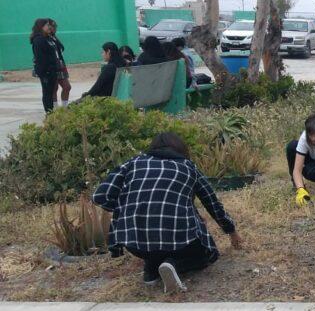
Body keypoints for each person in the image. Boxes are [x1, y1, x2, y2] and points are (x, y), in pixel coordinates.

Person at [92, 132, 242, 292]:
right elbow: (212, 203)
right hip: (180, 242)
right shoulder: (188, 167)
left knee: (152, 247)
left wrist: (124, 207)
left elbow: (100, 196)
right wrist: (231, 231)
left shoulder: (133, 163)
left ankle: (151, 271)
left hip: (134, 244)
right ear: (181, 149)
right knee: (206, 254)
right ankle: (173, 264)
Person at [30, 18, 60, 113]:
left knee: (51, 93)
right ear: (41, 27)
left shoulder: (48, 38)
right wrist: (45, 72)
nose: (49, 27)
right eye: (47, 25)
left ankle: (51, 112)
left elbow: (59, 48)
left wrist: (53, 35)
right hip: (46, 72)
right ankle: (49, 113)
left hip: (52, 70)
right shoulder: (38, 40)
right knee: (47, 93)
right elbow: (40, 58)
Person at [48, 19, 71, 107]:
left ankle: (64, 108)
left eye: (55, 26)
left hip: (60, 65)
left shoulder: (54, 37)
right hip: (52, 66)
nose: (55, 28)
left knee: (67, 87)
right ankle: (55, 109)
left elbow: (61, 49)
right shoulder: (45, 39)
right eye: (53, 26)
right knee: (54, 88)